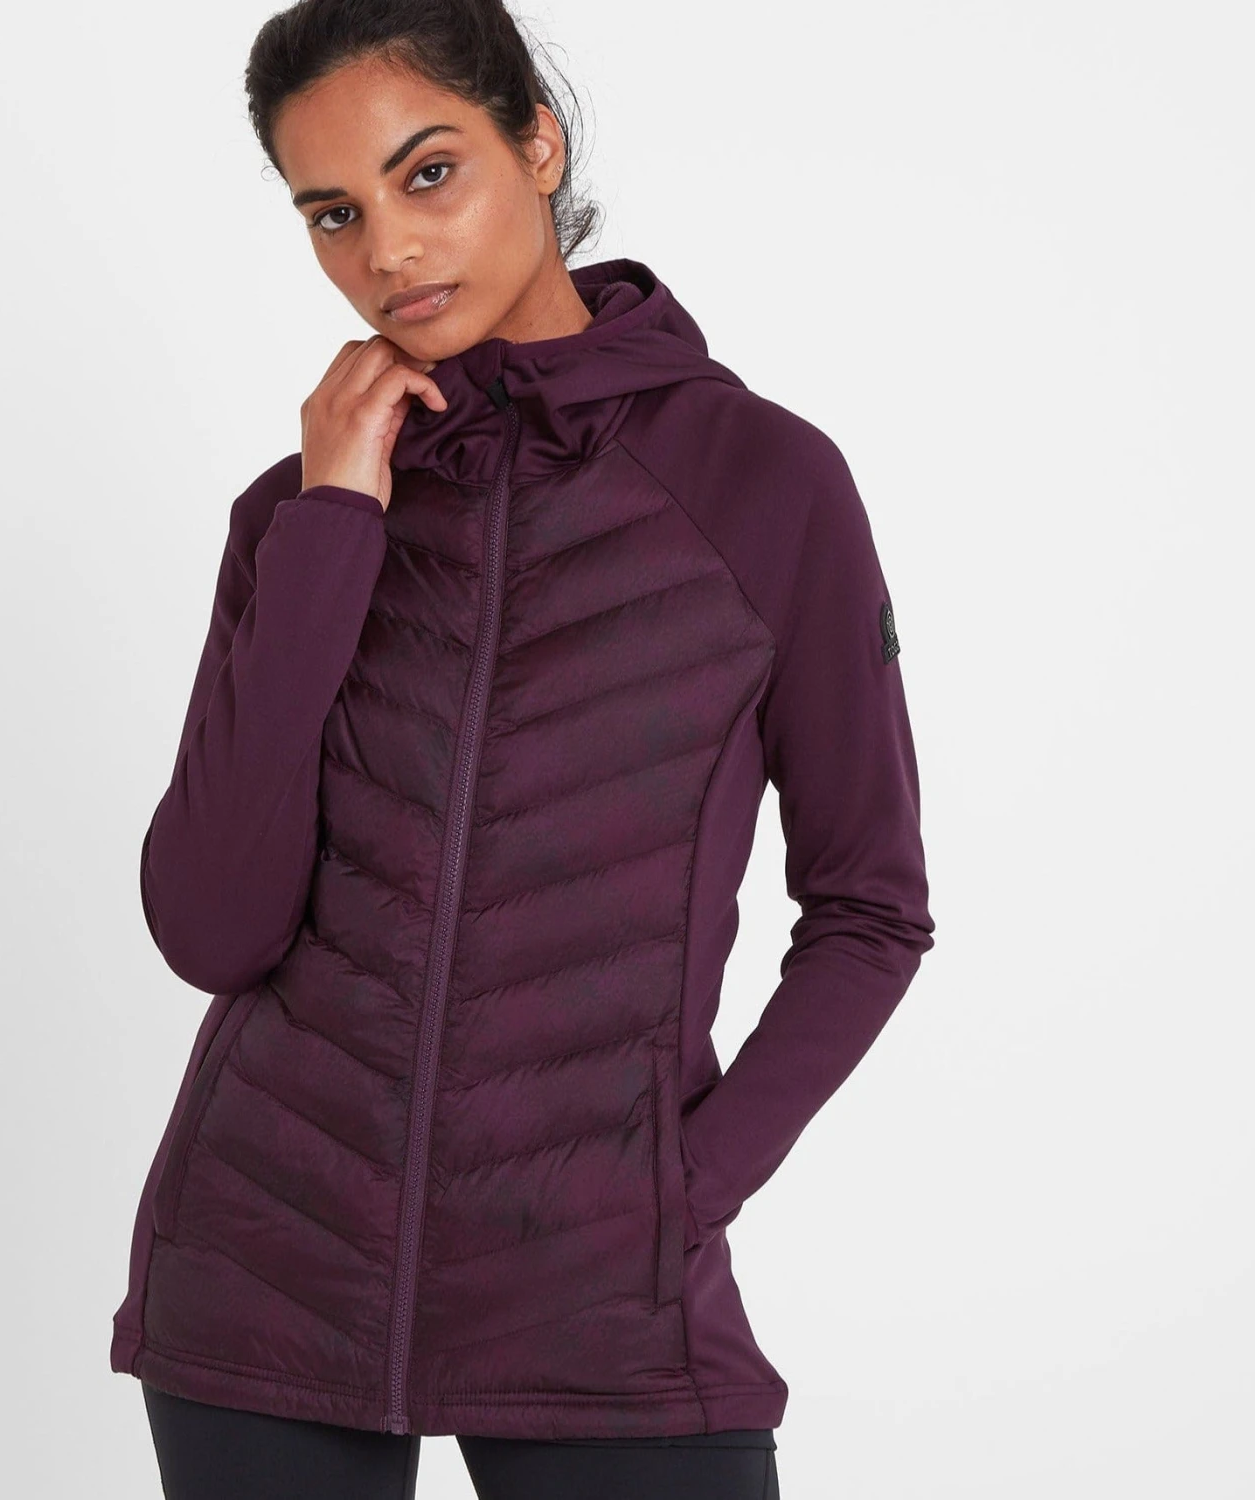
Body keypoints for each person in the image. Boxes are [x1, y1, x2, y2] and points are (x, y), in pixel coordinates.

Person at [109, 1, 936, 1496]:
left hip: (601, 1307)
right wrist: (333, 524)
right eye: (333, 213)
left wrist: (678, 1194)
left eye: (429, 174)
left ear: (538, 143)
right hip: (263, 1276)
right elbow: (210, 928)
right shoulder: (295, 514)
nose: (388, 252)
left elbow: (869, 909)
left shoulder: (763, 484)